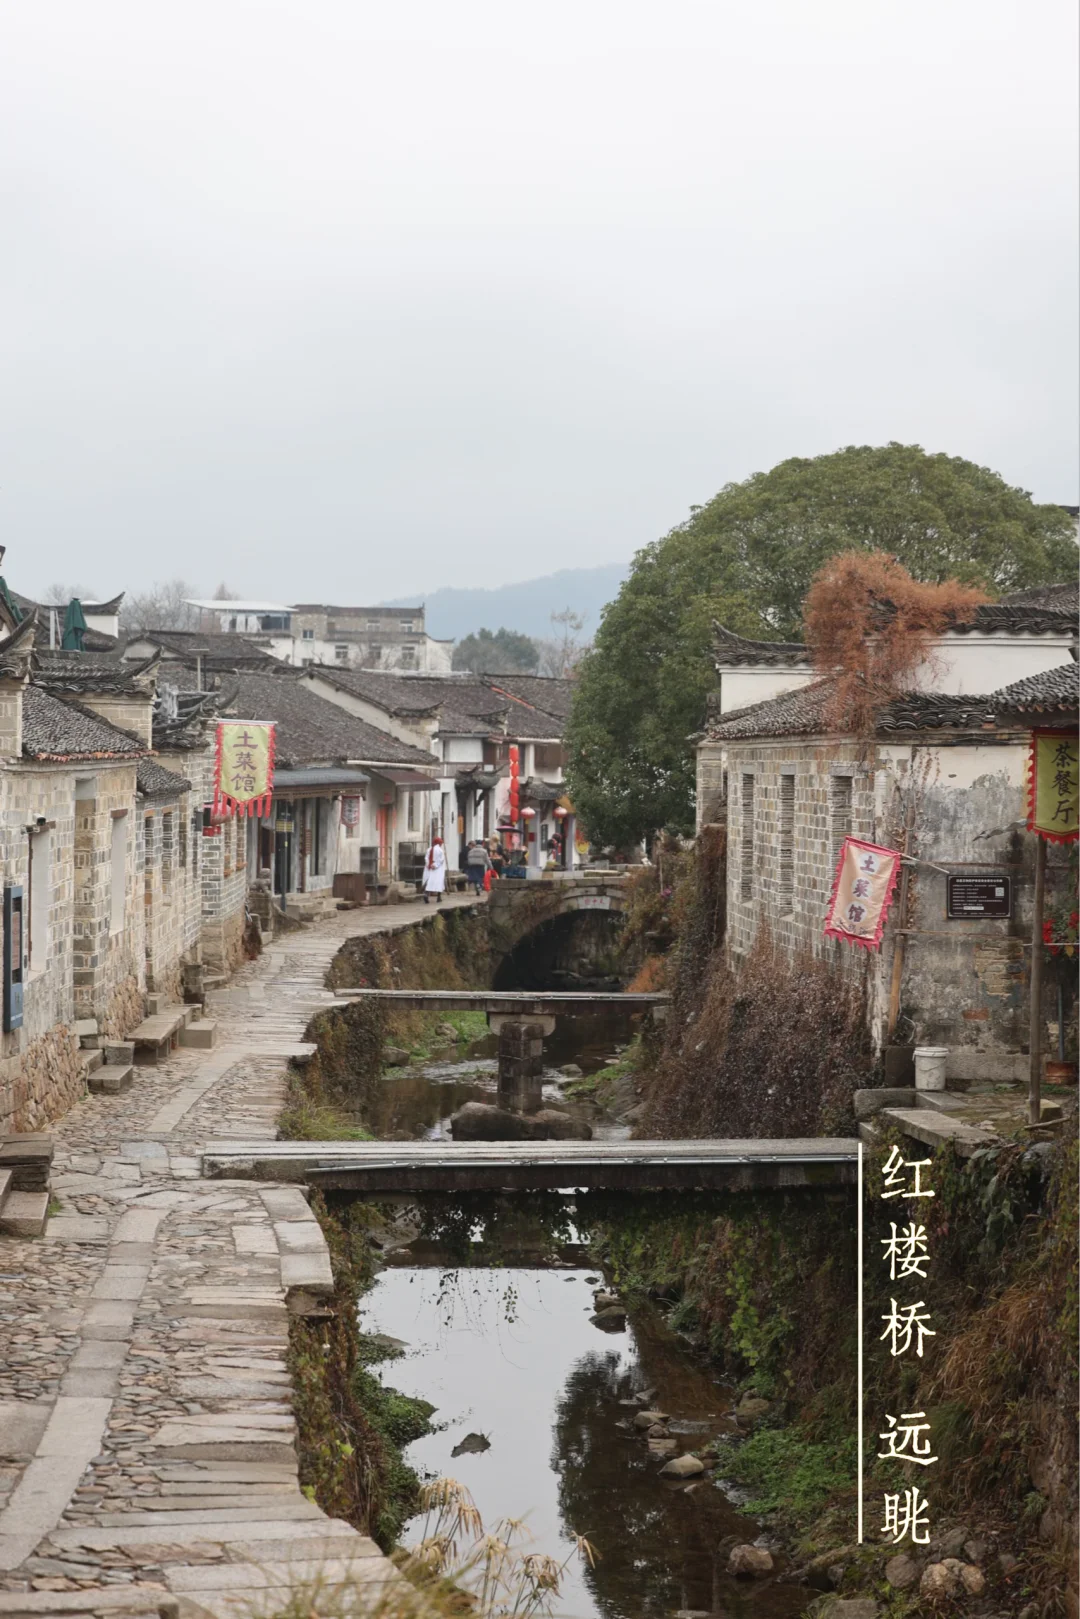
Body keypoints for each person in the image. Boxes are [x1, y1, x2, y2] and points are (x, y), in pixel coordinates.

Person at [422, 836, 447, 904]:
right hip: (437, 869)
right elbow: (441, 860)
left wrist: (428, 864)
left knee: (429, 881)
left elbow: (426, 858)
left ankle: (426, 894)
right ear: (439, 843)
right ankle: (439, 897)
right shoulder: (440, 850)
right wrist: (435, 865)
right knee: (438, 882)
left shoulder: (429, 849)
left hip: (429, 868)